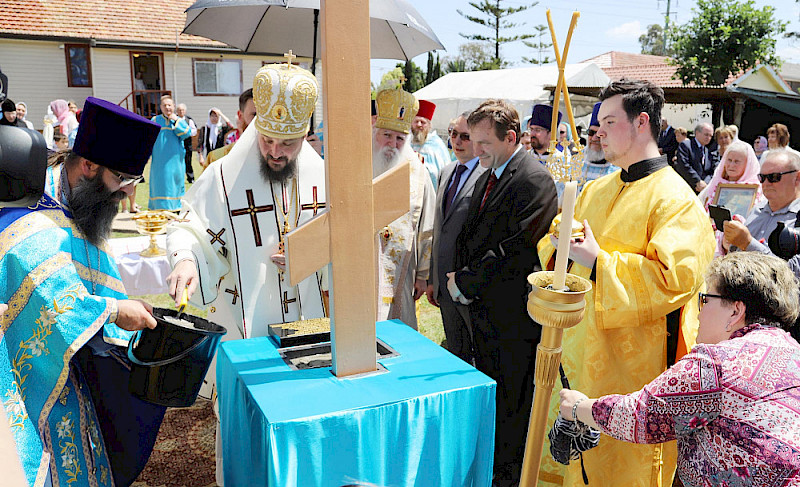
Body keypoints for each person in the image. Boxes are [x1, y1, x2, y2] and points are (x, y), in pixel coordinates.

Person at [537, 79, 716, 486]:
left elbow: (676, 279)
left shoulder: (676, 198)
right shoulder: (595, 190)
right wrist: (560, 240)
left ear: (642, 122)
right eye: (597, 123)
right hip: (577, 353)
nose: (598, 131)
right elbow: (556, 252)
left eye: (610, 121)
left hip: (633, 369)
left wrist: (600, 261)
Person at [165, 60, 328, 486]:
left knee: (306, 420)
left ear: (305, 134)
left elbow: (352, 242)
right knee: (246, 428)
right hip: (248, 326)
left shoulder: (328, 179)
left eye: (288, 143)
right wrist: (185, 258)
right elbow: (191, 225)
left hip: (311, 323)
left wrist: (315, 251)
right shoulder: (222, 177)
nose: (275, 152)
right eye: (267, 139)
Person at [2, 98, 166, 487]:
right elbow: (44, 289)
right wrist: (113, 311)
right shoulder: (28, 201)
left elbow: (97, 272)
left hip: (76, 358)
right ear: (89, 166)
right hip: (24, 371)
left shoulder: (86, 201)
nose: (128, 195)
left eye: (134, 182)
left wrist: (122, 309)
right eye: (123, 180)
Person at [558, 251, 800, 486]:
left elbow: (640, 416)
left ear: (736, 311)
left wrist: (578, 406)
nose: (699, 312)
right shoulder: (793, 351)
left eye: (704, 300)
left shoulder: (718, 363)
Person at [450, 98, 558, 486]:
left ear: (511, 138)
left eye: (484, 143)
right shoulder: (490, 170)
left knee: (513, 404)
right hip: (484, 313)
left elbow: (516, 249)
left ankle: (508, 475)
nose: (475, 150)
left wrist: (466, 281)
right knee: (495, 400)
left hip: (511, 315)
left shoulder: (534, 179)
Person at [426, 110, 488, 364]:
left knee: (476, 357)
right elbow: (438, 228)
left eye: (465, 136)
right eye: (453, 134)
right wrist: (432, 278)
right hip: (443, 283)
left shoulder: (487, 175)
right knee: (454, 352)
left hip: (469, 284)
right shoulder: (446, 171)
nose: (457, 141)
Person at [372, 87, 435, 329]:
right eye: (387, 135)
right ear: (375, 131)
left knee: (399, 328)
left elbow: (427, 226)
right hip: (362, 266)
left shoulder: (418, 173)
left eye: (400, 138)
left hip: (403, 270)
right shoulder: (358, 166)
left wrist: (422, 274)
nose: (393, 144)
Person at [723, 149, 800, 256]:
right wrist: (733, 243)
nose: (766, 183)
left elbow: (794, 268)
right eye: (762, 178)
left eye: (774, 177)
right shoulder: (757, 210)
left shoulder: (797, 218)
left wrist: (747, 243)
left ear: (797, 178)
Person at [149, 95, 191, 211]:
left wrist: (176, 120)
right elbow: (148, 138)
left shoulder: (179, 120)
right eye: (164, 105)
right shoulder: (155, 121)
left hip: (175, 160)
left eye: (169, 105)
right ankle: (159, 208)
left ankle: (176, 208)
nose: (167, 107)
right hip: (159, 160)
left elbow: (187, 133)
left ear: (173, 106)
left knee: (175, 183)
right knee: (160, 184)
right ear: (160, 107)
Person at [204, 88, 256, 167]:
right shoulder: (216, 160)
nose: (263, 123)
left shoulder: (279, 159)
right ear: (240, 116)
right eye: (255, 115)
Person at [579, 101, 619, 194]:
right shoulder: (575, 163)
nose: (594, 138)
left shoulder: (617, 170)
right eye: (591, 132)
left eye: (599, 135)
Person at [410, 99, 450, 190]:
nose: (419, 125)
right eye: (416, 121)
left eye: (423, 122)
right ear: (411, 123)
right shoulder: (406, 142)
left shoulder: (437, 145)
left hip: (430, 193)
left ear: (429, 125)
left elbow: (442, 173)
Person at [675, 121, 715, 193]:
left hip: (702, 190)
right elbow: (683, 165)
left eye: (710, 136)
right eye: (706, 134)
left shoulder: (708, 152)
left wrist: (705, 183)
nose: (708, 138)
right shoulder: (686, 145)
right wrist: (697, 181)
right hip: (687, 189)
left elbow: (711, 171)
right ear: (697, 133)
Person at [176, 103, 198, 183]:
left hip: (187, 144)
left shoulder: (189, 120)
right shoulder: (174, 119)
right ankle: (178, 179)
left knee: (188, 161)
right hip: (177, 144)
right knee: (177, 161)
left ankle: (190, 178)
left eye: (182, 110)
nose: (181, 112)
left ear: (185, 111)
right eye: (179, 110)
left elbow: (194, 131)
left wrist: (186, 133)